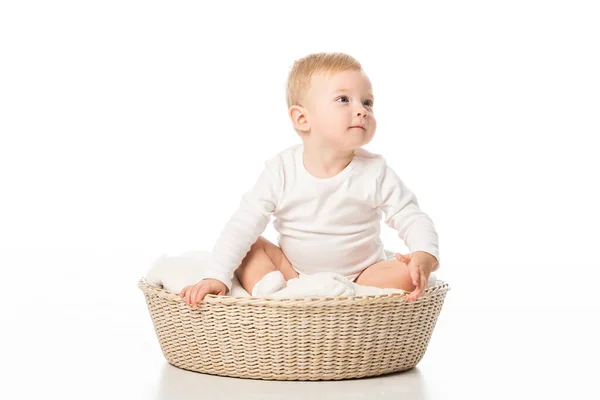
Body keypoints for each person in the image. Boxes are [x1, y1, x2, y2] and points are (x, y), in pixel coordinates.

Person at [181, 52, 440, 307]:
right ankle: (276, 293)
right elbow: (244, 223)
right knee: (250, 244)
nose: (361, 110)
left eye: (367, 102)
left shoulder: (375, 171)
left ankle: (348, 294)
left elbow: (410, 214)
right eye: (343, 99)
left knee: (411, 272)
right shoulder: (281, 169)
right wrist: (216, 276)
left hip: (363, 274)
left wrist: (424, 253)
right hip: (291, 272)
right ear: (302, 118)